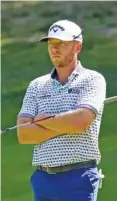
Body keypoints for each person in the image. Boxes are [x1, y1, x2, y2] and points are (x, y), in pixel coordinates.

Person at [17, 20, 106, 201]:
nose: (54, 48)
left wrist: (43, 122)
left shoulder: (92, 79)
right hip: (43, 178)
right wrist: (65, 122)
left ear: (77, 46)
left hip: (79, 177)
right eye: (51, 44)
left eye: (61, 43)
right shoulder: (37, 85)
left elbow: (81, 121)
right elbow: (23, 133)